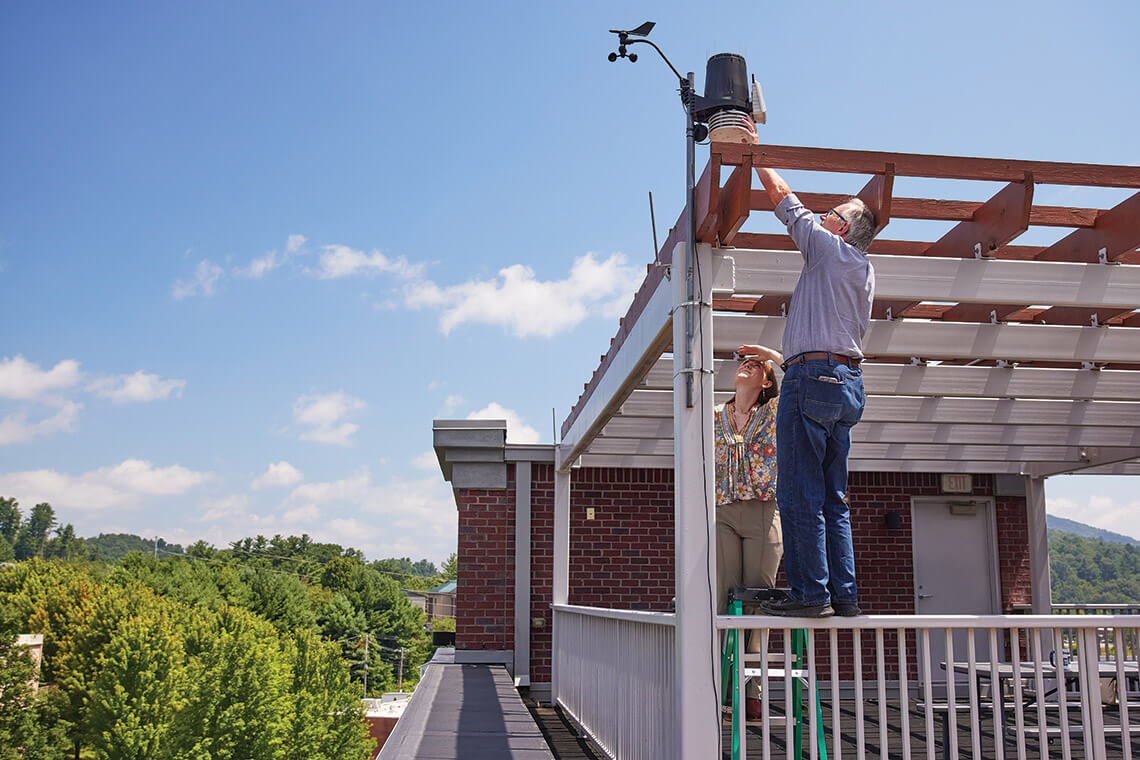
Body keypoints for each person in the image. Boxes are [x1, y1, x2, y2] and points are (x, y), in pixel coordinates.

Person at [746, 128, 879, 618]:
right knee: (832, 498)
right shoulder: (862, 268)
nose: (823, 217)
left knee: (797, 491)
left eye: (833, 215)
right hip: (846, 384)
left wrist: (753, 150)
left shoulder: (828, 249)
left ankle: (811, 595)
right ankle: (843, 596)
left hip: (815, 378)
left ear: (841, 229)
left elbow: (784, 199)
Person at [714, 345, 783, 720]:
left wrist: (768, 352)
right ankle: (721, 686)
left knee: (757, 600)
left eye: (757, 366)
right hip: (723, 510)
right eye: (744, 362)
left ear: (767, 380)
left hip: (762, 511)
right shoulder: (713, 415)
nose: (747, 366)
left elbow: (797, 380)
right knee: (724, 599)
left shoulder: (773, 412)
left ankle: (751, 691)